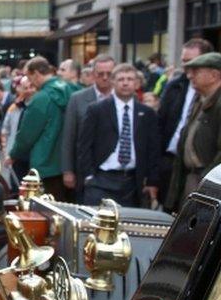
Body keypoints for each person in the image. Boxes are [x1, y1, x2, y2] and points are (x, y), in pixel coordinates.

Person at [77, 64, 160, 207]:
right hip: (101, 180)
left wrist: (152, 180)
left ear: (137, 83)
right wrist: (89, 176)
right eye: (121, 79)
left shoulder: (146, 113)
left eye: (130, 79)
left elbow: (153, 148)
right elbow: (84, 145)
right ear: (113, 82)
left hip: (132, 182)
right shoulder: (97, 110)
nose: (125, 83)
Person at [158, 38, 214, 210]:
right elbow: (161, 123)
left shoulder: (212, 95)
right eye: (183, 61)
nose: (187, 68)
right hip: (171, 162)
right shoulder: (174, 86)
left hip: (201, 171)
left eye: (191, 63)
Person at [10, 57, 76, 198]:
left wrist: (13, 154)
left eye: (29, 76)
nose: (29, 82)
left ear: (36, 74)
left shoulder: (41, 98)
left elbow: (27, 135)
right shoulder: (73, 89)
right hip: (71, 162)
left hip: (46, 163)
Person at [167, 52, 221, 209]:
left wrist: (208, 182)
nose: (190, 76)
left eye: (196, 71)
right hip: (193, 178)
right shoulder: (200, 100)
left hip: (207, 183)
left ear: (214, 75)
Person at [61, 54, 116, 200]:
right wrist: (67, 170)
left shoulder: (123, 98)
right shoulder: (77, 99)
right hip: (85, 168)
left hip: (115, 171)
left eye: (109, 74)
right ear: (93, 75)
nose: (105, 77)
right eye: (100, 74)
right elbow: (69, 136)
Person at [1, 75, 35, 187]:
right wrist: (6, 153)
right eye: (25, 88)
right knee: (16, 188)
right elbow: (5, 131)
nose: (29, 91)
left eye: (31, 87)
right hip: (15, 155)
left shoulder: (39, 106)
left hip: (34, 157)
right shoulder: (13, 108)